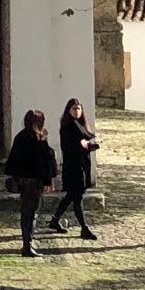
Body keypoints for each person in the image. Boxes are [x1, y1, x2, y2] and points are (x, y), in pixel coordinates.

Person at [3, 108, 58, 257]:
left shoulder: (20, 137)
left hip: (22, 180)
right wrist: (48, 181)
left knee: (25, 212)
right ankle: (28, 245)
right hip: (34, 181)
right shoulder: (38, 139)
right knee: (32, 213)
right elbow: (44, 162)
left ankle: (26, 243)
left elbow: (14, 159)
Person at [51, 99, 100, 239]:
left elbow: (83, 142)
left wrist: (88, 146)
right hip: (73, 167)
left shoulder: (78, 125)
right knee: (76, 198)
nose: (77, 111)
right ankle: (84, 228)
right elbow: (71, 147)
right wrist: (85, 146)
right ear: (68, 110)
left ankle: (55, 220)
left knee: (71, 196)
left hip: (79, 167)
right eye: (74, 109)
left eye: (79, 108)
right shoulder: (69, 126)